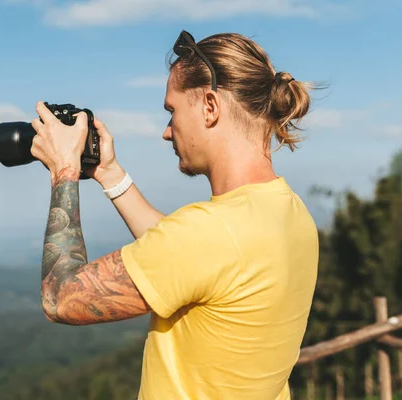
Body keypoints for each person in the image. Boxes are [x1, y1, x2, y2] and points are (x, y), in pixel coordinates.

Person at [30, 30, 319, 400]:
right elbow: (191, 262)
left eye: (172, 111)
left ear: (210, 107)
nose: (167, 132)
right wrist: (109, 173)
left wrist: (64, 170)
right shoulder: (288, 211)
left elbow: (60, 297)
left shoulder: (211, 233)